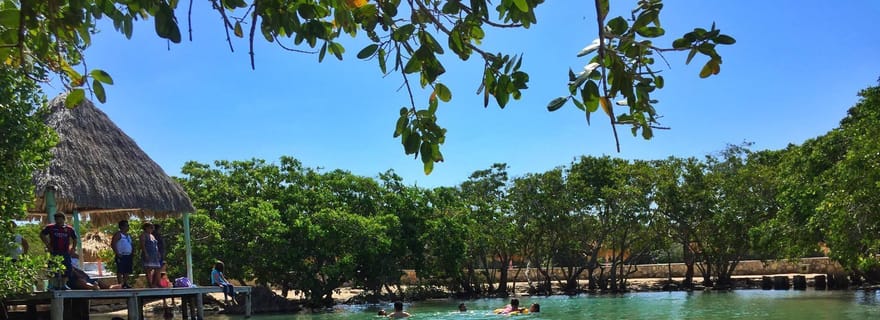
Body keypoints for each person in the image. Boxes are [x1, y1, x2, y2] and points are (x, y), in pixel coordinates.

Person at [40, 213, 78, 290]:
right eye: (57, 219)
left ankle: (64, 284)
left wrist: (73, 248)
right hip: (54, 251)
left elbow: (75, 238)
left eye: (60, 219)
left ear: (64, 219)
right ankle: (51, 285)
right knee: (52, 268)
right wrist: (48, 245)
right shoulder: (50, 227)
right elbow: (42, 234)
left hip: (65, 252)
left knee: (68, 268)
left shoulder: (69, 229)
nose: (59, 221)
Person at [110, 219, 133, 288]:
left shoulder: (128, 235)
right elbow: (113, 244)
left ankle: (125, 283)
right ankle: (120, 284)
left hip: (128, 255)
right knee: (120, 269)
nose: (128, 227)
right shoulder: (118, 234)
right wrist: (117, 253)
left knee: (127, 270)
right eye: (127, 225)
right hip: (121, 255)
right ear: (122, 226)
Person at [140, 222, 162, 288]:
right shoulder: (143, 235)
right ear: (146, 228)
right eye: (151, 228)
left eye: (153, 228)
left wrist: (158, 253)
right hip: (148, 253)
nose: (152, 229)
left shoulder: (152, 235)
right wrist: (145, 253)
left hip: (154, 254)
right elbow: (142, 245)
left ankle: (157, 283)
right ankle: (150, 284)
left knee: (158, 268)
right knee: (148, 269)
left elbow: (155, 245)